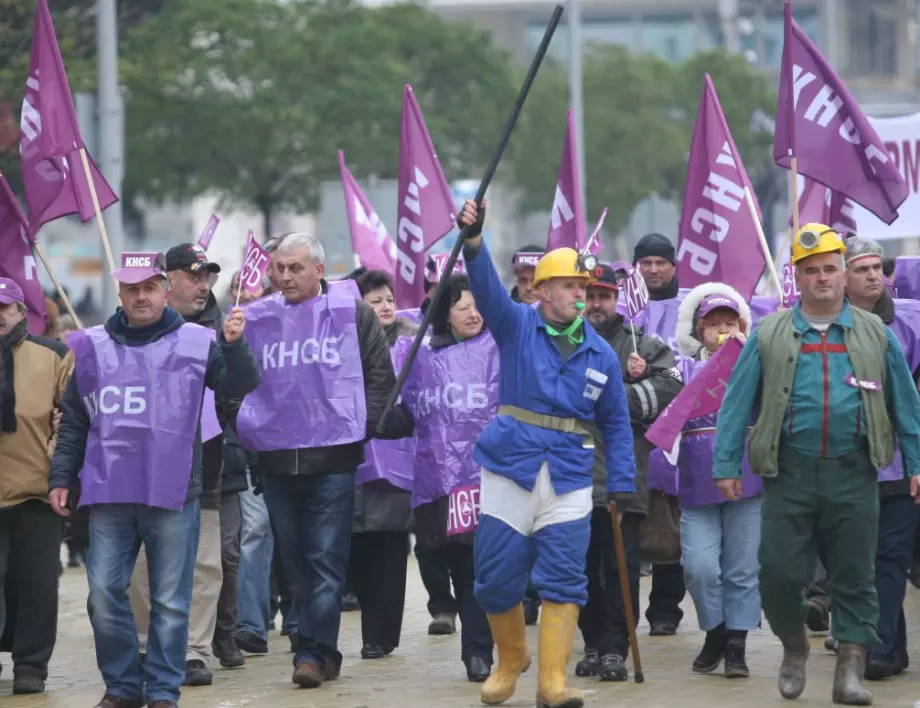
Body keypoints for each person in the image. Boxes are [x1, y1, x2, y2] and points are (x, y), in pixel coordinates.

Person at [714, 224, 920, 705]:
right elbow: (736, 403)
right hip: (790, 475)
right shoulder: (770, 333)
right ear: (797, 277)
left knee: (856, 575)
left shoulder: (875, 333)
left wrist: (916, 462)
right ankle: (792, 646)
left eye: (830, 269)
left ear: (844, 274)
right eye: (811, 271)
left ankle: (850, 668)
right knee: (779, 573)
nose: (822, 278)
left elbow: (906, 407)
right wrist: (726, 463)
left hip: (854, 474)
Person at [47, 251, 260, 708]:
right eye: (132, 289)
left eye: (149, 288)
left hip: (173, 492)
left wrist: (236, 345)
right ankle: (123, 686)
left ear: (165, 290)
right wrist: (62, 475)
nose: (140, 296)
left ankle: (162, 690)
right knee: (103, 595)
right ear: (120, 293)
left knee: (170, 602)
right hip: (110, 493)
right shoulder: (94, 346)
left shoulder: (198, 342)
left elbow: (239, 385)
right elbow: (75, 422)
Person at [456, 200, 636, 708]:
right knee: (494, 580)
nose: (580, 295)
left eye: (584, 288)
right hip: (510, 467)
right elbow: (487, 290)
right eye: (570, 287)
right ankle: (511, 659)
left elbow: (617, 423)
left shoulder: (601, 352)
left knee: (564, 578)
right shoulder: (515, 324)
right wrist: (473, 241)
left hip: (571, 475)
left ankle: (552, 682)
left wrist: (622, 478)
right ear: (542, 291)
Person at [235, 232, 396, 690]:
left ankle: (313, 652)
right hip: (278, 462)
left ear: (319, 270)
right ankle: (317, 647)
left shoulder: (352, 314)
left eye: (295, 268)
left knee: (326, 560)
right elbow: (239, 384)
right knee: (294, 563)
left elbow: (378, 380)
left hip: (333, 462)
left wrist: (357, 434)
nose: (284, 276)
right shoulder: (260, 319)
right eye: (279, 268)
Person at [126, 244, 232, 686]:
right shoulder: (130, 332)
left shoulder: (224, 329)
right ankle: (151, 646)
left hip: (206, 464)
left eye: (207, 276)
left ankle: (192, 651)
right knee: (145, 566)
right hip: (143, 470)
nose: (203, 285)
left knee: (207, 563)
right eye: (194, 276)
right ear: (166, 283)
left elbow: (240, 389)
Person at [575, 264, 683, 681]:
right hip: (574, 478)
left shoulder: (644, 346)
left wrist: (619, 392)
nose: (597, 303)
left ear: (617, 299)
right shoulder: (563, 342)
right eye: (590, 295)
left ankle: (616, 647)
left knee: (619, 569)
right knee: (582, 570)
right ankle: (591, 643)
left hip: (624, 476)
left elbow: (673, 388)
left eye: (604, 295)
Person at [396, 273, 498, 681]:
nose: (473, 314)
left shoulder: (498, 349)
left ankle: (483, 649)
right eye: (462, 308)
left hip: (489, 477)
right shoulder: (420, 356)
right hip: (441, 481)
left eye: (477, 306)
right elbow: (403, 413)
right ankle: (476, 651)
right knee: (460, 566)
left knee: (483, 568)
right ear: (445, 315)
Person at [837, 237, 920, 680]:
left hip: (902, 463)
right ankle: (883, 641)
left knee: (889, 558)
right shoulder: (827, 325)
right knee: (856, 560)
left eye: (877, 268)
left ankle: (882, 647)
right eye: (862, 269)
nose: (874, 276)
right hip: (846, 465)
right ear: (843, 277)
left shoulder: (912, 323)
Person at [674, 283, 763, 678]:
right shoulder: (681, 369)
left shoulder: (755, 365)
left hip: (747, 478)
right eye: (714, 324)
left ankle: (737, 645)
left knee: (742, 567)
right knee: (698, 567)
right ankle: (715, 629)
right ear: (699, 331)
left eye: (730, 322)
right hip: (696, 483)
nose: (723, 330)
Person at [0, 278, 73, 694]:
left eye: (3, 308)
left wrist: (59, 462)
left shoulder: (55, 356)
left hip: (38, 492)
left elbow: (74, 419)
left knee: (38, 586)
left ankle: (31, 666)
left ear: (20, 312)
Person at [349, 271, 415, 660]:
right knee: (359, 546)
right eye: (375, 301)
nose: (386, 306)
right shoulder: (344, 348)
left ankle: (382, 635)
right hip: (354, 465)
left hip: (396, 463)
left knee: (390, 547)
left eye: (389, 298)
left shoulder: (411, 345)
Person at [632, 232, 687, 634]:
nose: (652, 270)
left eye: (660, 262)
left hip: (684, 433)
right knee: (634, 523)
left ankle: (666, 611)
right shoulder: (621, 310)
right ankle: (625, 611)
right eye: (645, 262)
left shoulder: (692, 307)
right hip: (635, 430)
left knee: (674, 521)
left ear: (673, 266)